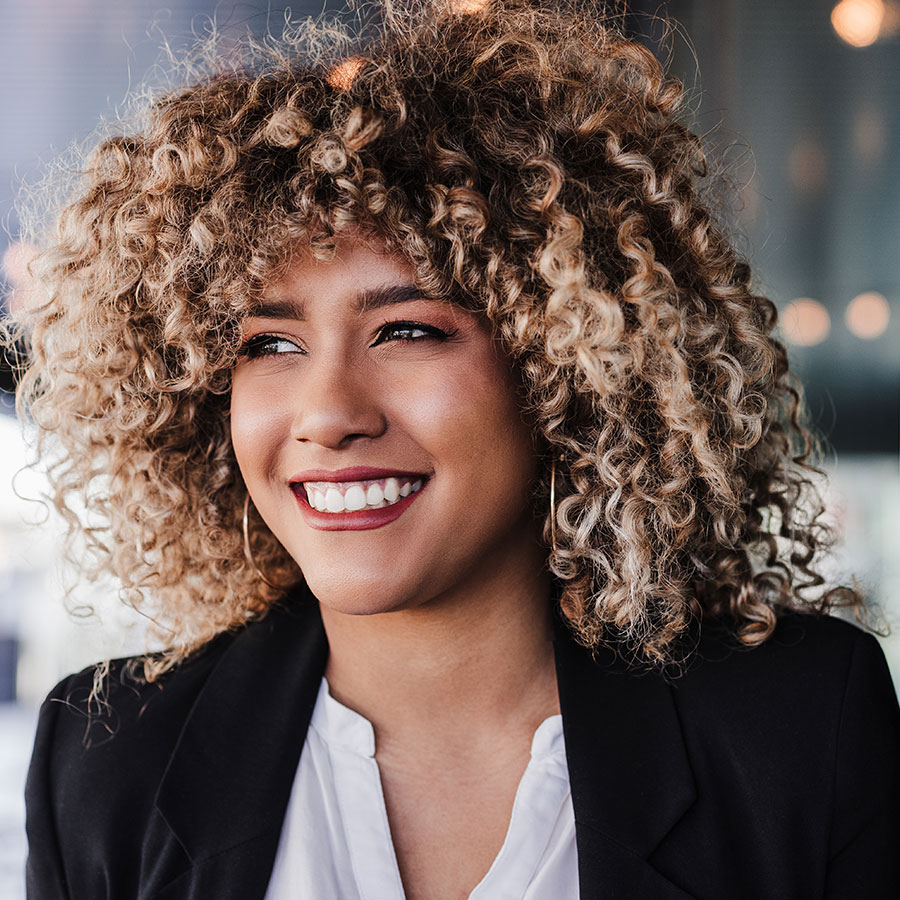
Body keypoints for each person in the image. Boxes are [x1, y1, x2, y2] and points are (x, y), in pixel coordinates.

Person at [10, 0, 900, 897]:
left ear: (564, 364)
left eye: (406, 330)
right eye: (269, 345)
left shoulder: (798, 734)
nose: (327, 415)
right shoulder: (106, 762)